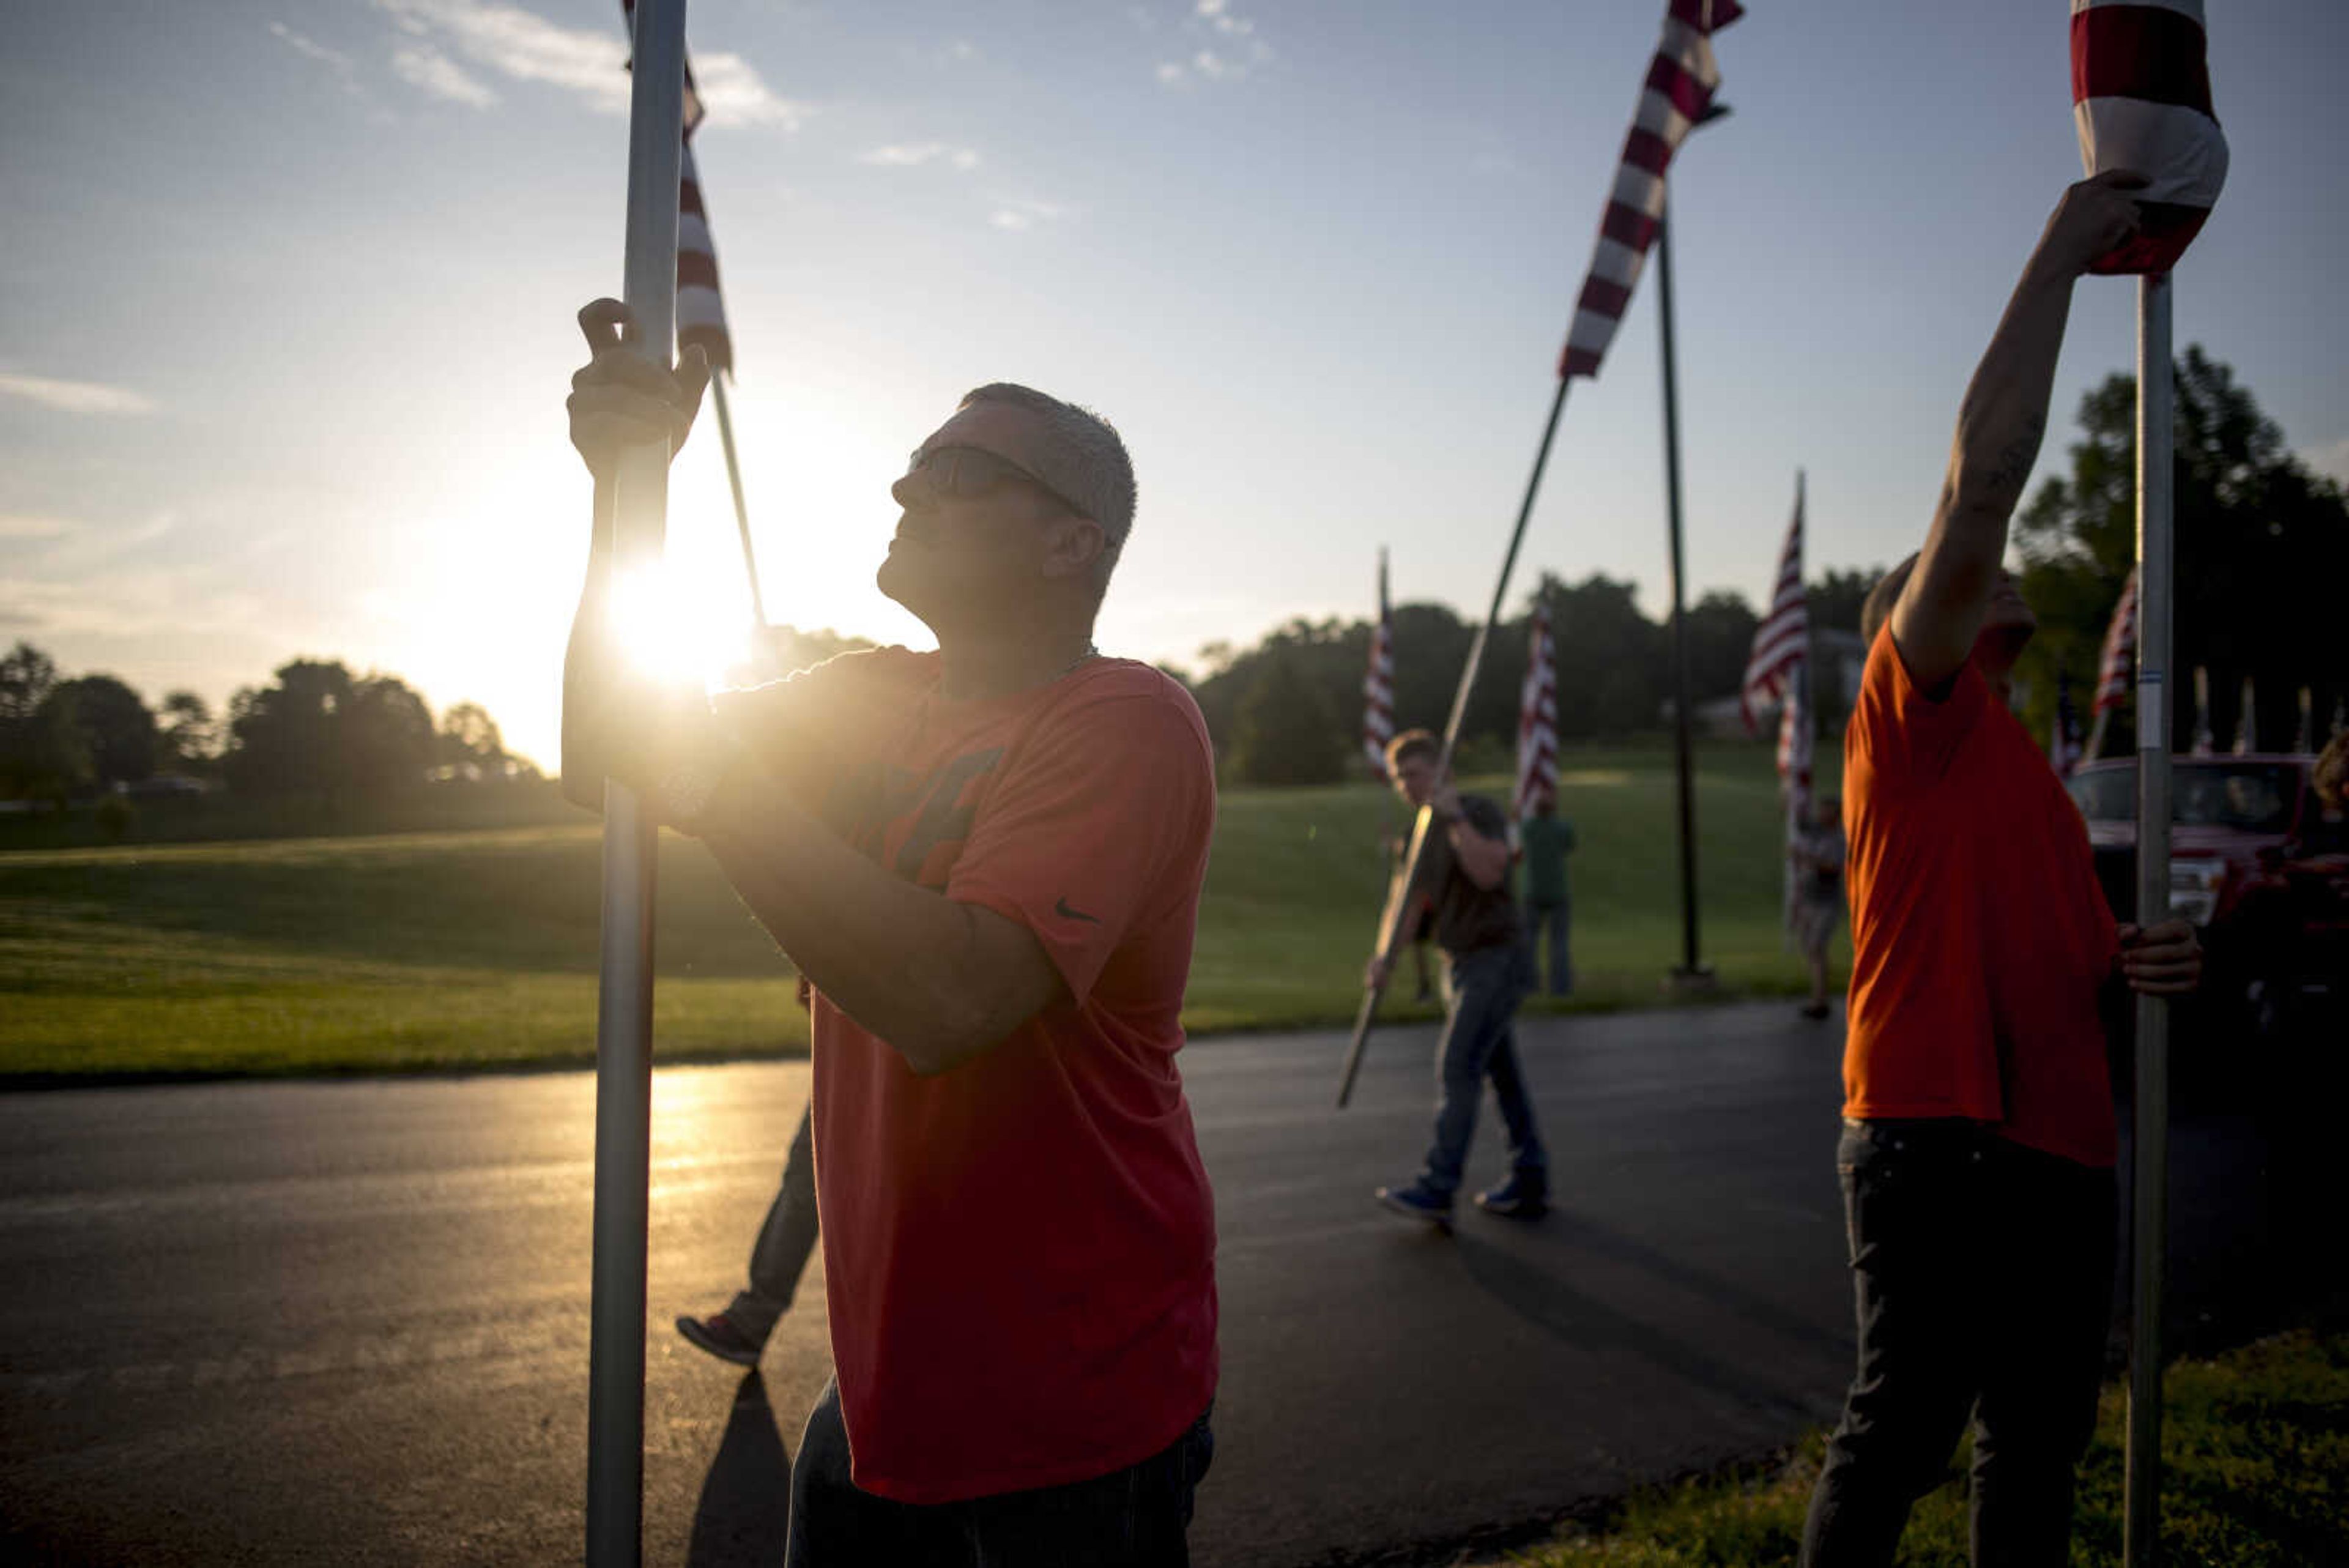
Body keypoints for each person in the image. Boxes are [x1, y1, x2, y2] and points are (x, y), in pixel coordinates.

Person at [563, 304, 1218, 1565]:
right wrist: (624, 495)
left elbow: (953, 1002)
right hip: (881, 1389)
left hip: (1075, 1399)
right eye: (914, 463)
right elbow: (614, 739)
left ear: (1071, 542)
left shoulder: (1126, 719)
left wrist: (714, 783)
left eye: (961, 473)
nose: (908, 486)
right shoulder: (868, 695)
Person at [1796, 174, 2203, 1567]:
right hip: (1938, 1139)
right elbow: (1978, 487)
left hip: (2062, 1150)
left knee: (2035, 1442)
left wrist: (2146, 957)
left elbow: (2080, 963)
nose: (1991, 561)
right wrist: (2057, 255)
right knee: (1903, 1426)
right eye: (1953, 575)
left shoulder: (2024, 769)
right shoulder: (1908, 720)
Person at [1367, 730, 1548, 1224]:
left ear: (1441, 770)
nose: (1407, 784)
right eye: (1399, 777)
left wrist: (1455, 818)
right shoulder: (1417, 836)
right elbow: (1404, 906)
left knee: (1458, 1064)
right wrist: (1386, 957)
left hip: (1497, 958)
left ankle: (1438, 1185)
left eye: (1415, 773)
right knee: (1501, 1074)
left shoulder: (1477, 811)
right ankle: (1530, 1177)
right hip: (1461, 963)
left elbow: (1490, 871)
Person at [675, 978, 820, 1367]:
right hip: (848, 1047)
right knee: (806, 1181)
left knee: (818, 1186)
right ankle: (751, 1323)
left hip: (892, 1044)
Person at [1788, 793, 1845, 1021]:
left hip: (1826, 902)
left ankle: (1820, 1000)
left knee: (1816, 948)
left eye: (1827, 810)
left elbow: (1832, 867)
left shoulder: (1837, 839)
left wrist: (1807, 858)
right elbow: (1797, 821)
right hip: (1808, 899)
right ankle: (1818, 995)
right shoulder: (1815, 833)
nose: (1822, 814)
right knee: (1811, 949)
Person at [1516, 796, 1577, 995]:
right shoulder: (1562, 828)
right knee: (1559, 942)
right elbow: (1571, 845)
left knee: (1530, 941)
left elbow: (1517, 845)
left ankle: (1529, 984)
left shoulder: (1528, 828)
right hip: (1558, 891)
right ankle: (1561, 986)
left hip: (1533, 891)